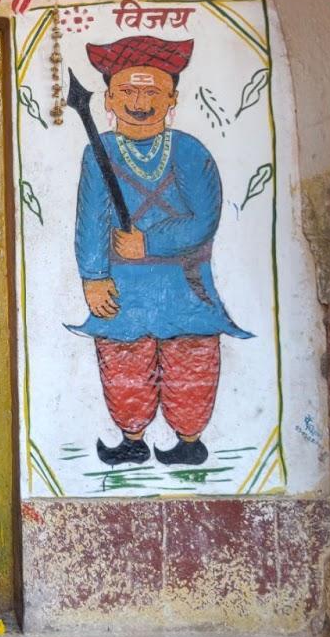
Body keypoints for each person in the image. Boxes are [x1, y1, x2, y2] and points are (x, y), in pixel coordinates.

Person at [68, 36, 249, 468]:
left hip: (184, 284)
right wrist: (93, 277)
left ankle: (189, 439)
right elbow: (91, 220)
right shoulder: (99, 154)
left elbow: (204, 219)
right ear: (109, 99)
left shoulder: (190, 152)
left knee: (190, 358)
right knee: (124, 360)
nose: (139, 102)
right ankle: (132, 437)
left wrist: (149, 242)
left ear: (172, 99)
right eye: (128, 91)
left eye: (151, 92)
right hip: (123, 284)